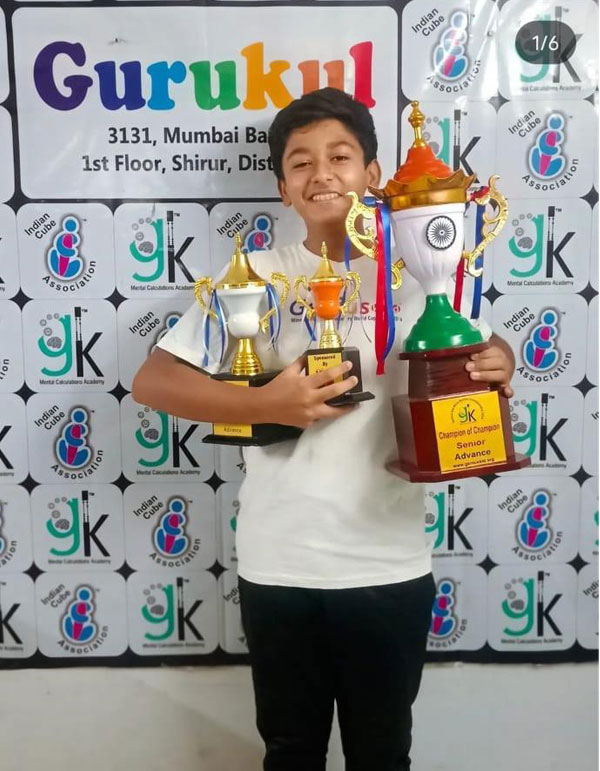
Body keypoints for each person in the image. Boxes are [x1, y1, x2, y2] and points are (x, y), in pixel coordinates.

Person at [132, 87, 516, 771]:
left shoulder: (424, 276)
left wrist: (499, 358)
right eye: (300, 162)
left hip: (388, 562)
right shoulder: (255, 276)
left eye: (340, 156)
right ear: (283, 188)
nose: (322, 173)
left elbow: (483, 351)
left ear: (374, 173)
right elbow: (154, 381)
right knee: (291, 751)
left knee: (382, 754)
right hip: (280, 564)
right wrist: (270, 403)